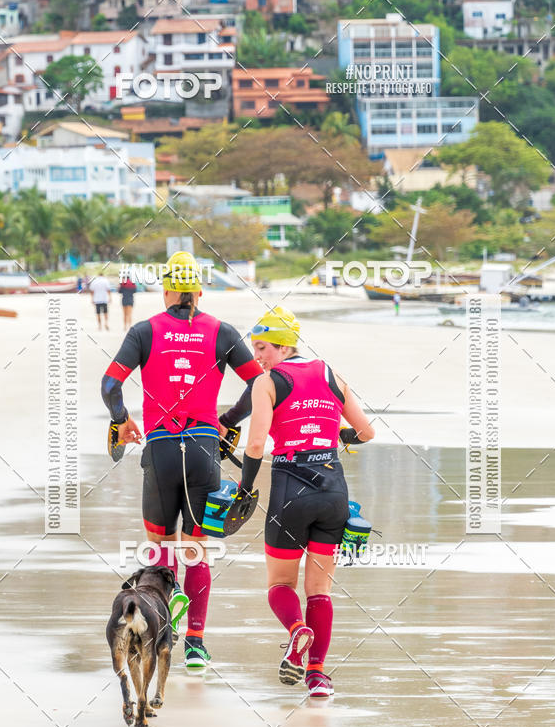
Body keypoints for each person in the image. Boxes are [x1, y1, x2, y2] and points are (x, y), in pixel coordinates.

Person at [101, 251, 262, 669]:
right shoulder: (222, 331)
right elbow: (260, 385)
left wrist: (122, 420)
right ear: (199, 292)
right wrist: (227, 420)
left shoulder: (144, 331)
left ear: (168, 290)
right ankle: (195, 643)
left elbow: (110, 384)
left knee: (160, 547)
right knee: (197, 550)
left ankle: (160, 632)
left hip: (160, 450)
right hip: (205, 451)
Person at [238, 306, 375, 698]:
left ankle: (298, 631)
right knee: (321, 592)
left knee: (280, 584)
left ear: (282, 345)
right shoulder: (331, 374)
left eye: (262, 348)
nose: (258, 357)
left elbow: (257, 443)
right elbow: (366, 432)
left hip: (289, 491)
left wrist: (246, 488)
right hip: (334, 492)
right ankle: (317, 676)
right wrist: (336, 439)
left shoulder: (268, 382)